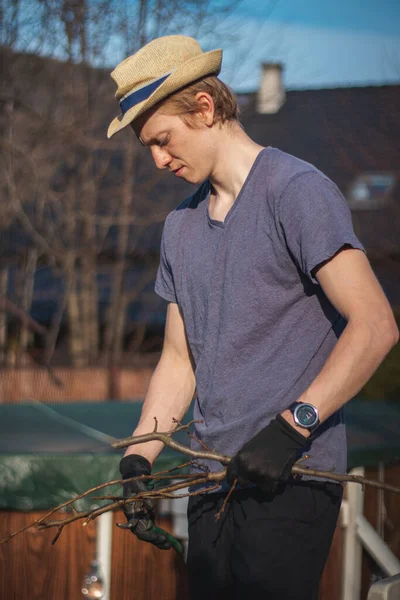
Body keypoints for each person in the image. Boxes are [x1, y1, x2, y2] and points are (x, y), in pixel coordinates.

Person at [107, 35, 399, 599]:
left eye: (163, 140)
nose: (158, 160)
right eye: (148, 147)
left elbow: (376, 324)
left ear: (205, 108)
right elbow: (177, 361)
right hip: (209, 481)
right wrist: (139, 460)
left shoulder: (297, 192)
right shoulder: (180, 229)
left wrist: (294, 427)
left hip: (290, 476)